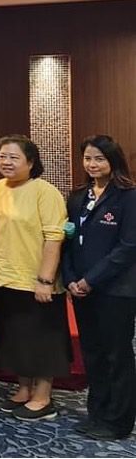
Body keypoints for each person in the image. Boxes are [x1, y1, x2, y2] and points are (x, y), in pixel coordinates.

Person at [0, 134, 71, 421]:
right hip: (2, 276)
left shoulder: (45, 191)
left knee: (41, 338)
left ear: (31, 162)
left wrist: (45, 279)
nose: (6, 162)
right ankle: (23, 389)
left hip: (35, 278)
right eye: (2, 156)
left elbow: (53, 237)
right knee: (15, 337)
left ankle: (44, 396)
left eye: (14, 157)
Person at [63, 135, 136, 440]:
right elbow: (67, 240)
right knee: (92, 354)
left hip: (115, 290)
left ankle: (118, 421)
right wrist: (69, 279)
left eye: (99, 159)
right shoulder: (78, 195)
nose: (92, 165)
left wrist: (90, 280)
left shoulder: (128, 196)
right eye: (88, 158)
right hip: (80, 289)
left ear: (113, 161)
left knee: (116, 355)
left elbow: (128, 246)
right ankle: (98, 414)